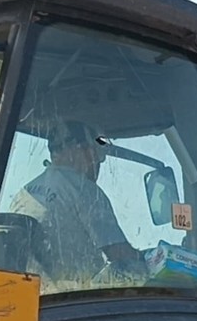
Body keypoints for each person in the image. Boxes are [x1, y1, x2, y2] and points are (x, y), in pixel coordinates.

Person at [9, 120, 145, 285]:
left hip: (31, 295)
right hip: (74, 298)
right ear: (78, 150)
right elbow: (119, 254)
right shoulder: (83, 189)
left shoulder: (23, 194)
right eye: (94, 152)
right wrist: (153, 261)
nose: (97, 162)